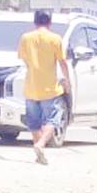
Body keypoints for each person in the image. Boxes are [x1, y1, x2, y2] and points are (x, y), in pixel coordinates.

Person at [17, 10, 73, 165]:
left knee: (34, 122)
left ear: (35, 22)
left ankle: (39, 154)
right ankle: (40, 145)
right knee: (52, 119)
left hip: (31, 87)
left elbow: (25, 60)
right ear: (50, 22)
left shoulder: (26, 38)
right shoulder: (55, 39)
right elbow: (62, 62)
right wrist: (67, 80)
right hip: (50, 88)